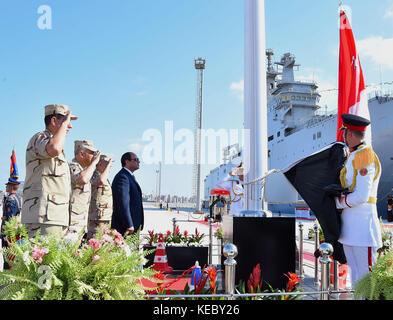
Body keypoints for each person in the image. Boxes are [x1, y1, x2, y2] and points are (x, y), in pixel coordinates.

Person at [335, 113, 382, 288]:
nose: (344, 137)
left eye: (345, 133)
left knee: (366, 280)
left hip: (363, 228)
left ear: (351, 134)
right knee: (355, 277)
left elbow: (362, 196)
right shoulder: (354, 156)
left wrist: (338, 202)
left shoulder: (364, 155)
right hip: (352, 228)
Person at [21, 104, 77, 239]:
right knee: (43, 258)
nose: (70, 126)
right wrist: (63, 126)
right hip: (43, 217)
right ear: (53, 121)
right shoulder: (39, 138)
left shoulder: (55, 144)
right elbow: (54, 149)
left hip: (55, 217)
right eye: (67, 122)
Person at [69, 140, 100, 235]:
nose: (95, 157)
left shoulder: (86, 170)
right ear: (82, 154)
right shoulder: (71, 167)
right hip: (71, 222)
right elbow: (82, 179)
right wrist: (94, 163)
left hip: (81, 222)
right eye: (92, 153)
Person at [111, 152, 144, 236]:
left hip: (134, 226)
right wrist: (128, 224)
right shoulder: (123, 177)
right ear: (127, 162)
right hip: (126, 228)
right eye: (136, 159)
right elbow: (123, 203)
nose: (138, 162)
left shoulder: (129, 176)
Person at [87, 154, 113, 240]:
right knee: (94, 243)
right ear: (100, 164)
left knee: (103, 243)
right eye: (107, 163)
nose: (110, 166)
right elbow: (101, 181)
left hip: (104, 216)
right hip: (96, 217)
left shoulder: (104, 176)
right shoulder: (95, 175)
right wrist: (108, 167)